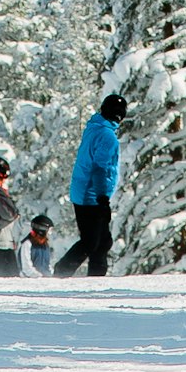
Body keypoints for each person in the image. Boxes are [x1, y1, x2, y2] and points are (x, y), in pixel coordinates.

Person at [53, 92, 127, 276]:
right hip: (91, 195)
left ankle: (96, 277)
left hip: (83, 191)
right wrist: (102, 197)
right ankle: (61, 273)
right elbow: (100, 167)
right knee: (91, 242)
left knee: (102, 242)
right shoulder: (107, 136)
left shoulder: (94, 128)